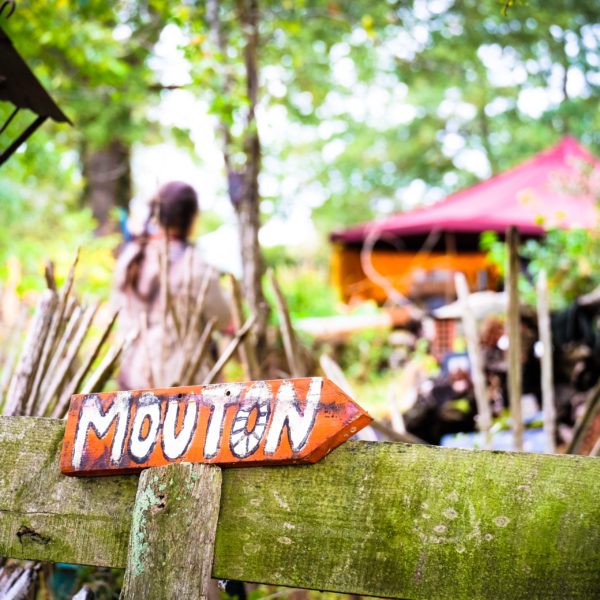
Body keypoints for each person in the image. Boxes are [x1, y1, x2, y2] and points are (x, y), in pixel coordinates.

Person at [114, 181, 230, 390]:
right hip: (186, 379)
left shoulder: (131, 259)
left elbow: (117, 311)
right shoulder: (196, 266)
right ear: (191, 218)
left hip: (134, 377)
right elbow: (223, 318)